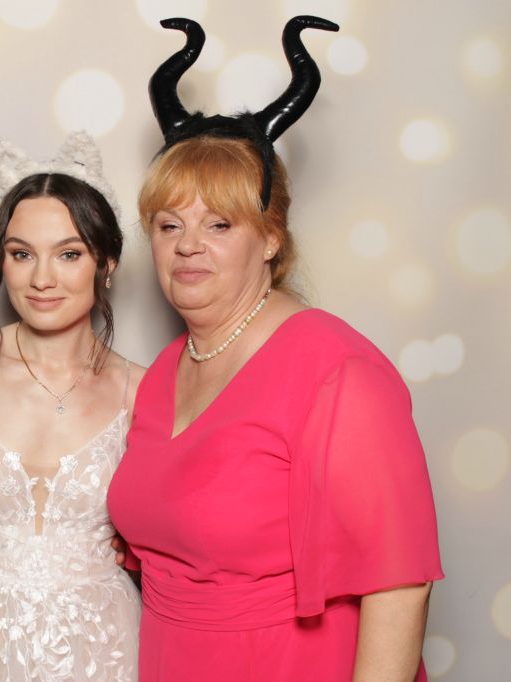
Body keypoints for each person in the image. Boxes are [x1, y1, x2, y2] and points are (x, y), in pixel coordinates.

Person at [106, 17, 444, 681]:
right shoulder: (166, 372)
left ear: (270, 238)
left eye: (219, 224)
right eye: (168, 225)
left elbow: (400, 588)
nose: (188, 245)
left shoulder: (337, 372)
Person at [0, 133, 143, 681]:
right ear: (2, 262)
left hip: (104, 648)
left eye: (69, 254)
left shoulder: (142, 391)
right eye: (22, 254)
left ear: (106, 263)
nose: (42, 279)